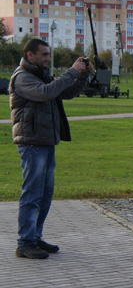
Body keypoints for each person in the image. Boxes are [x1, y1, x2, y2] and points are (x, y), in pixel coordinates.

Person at [10, 38, 91, 259]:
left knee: (45, 194)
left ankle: (35, 237)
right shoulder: (23, 78)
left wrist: (83, 74)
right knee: (32, 194)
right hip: (32, 144)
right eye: (44, 54)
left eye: (48, 54)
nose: (48, 58)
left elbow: (65, 92)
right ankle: (24, 243)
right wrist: (72, 71)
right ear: (30, 55)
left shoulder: (40, 75)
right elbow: (46, 93)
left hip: (46, 142)